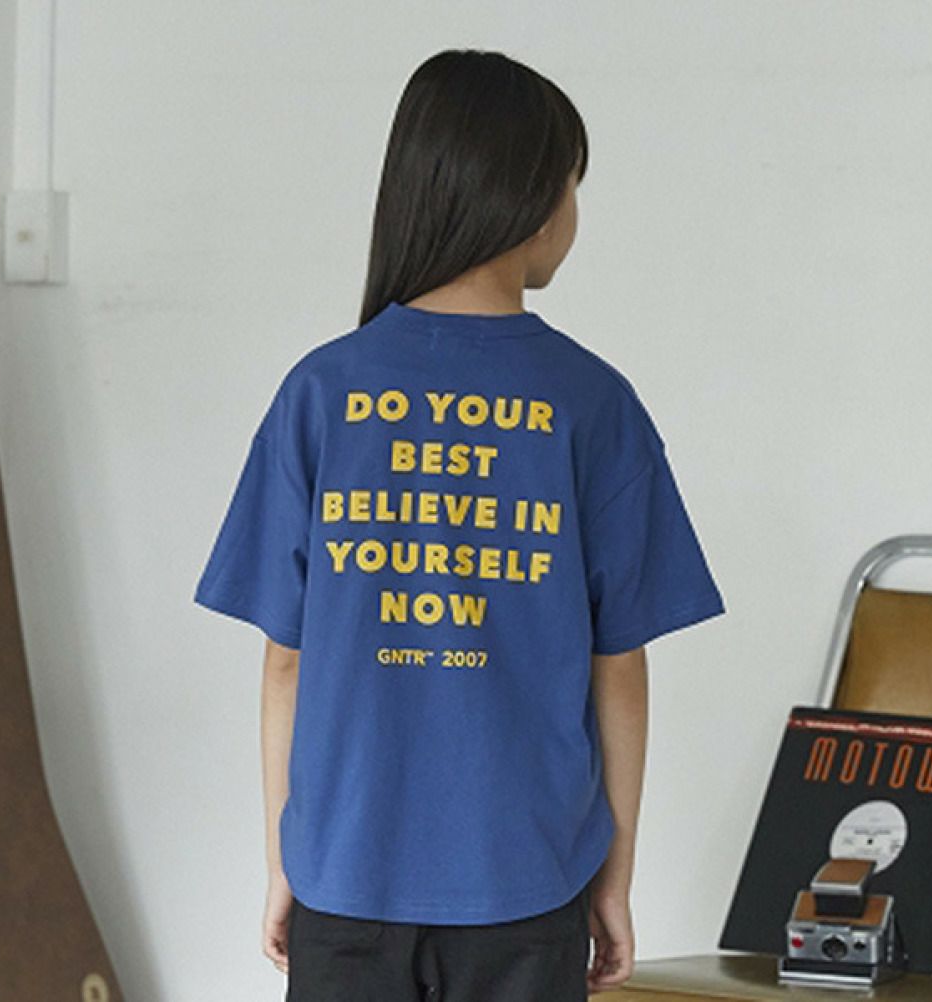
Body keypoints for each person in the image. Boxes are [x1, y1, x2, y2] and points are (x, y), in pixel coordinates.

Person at [193, 48, 726, 1001]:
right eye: (573, 183)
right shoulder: (591, 403)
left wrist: (285, 860)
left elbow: (286, 662)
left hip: (344, 879)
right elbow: (618, 666)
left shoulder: (321, 393)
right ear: (532, 197)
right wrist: (613, 878)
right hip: (528, 881)